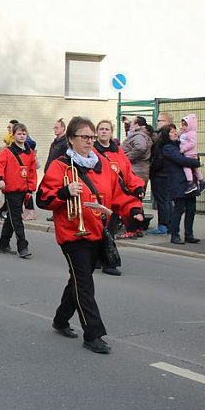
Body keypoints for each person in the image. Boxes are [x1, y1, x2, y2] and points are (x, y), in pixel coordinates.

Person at [37, 116, 144, 354]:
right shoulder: (60, 166)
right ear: (71, 139)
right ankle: (93, 334)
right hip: (72, 234)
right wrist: (64, 192)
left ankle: (60, 320)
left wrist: (133, 210)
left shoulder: (102, 164)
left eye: (92, 137)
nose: (89, 141)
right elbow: (42, 199)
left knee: (78, 279)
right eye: (84, 137)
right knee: (85, 284)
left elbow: (120, 193)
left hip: (97, 231)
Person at [94, 119, 146, 272]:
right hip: (99, 195)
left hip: (117, 196)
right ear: (97, 132)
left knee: (108, 230)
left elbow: (127, 173)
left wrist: (137, 187)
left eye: (107, 129)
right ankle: (103, 260)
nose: (104, 131)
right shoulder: (92, 151)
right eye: (101, 129)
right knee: (100, 229)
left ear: (111, 132)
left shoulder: (118, 151)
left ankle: (107, 262)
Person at [0, 122, 37, 258]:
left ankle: (3, 244)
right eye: (19, 133)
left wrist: (31, 189)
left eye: (24, 133)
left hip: (23, 189)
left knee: (11, 218)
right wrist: (0, 179)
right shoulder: (6, 152)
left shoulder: (30, 153)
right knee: (17, 218)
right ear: (13, 135)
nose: (22, 136)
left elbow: (32, 172)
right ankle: (22, 246)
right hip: (11, 190)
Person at [157, 124, 202, 245]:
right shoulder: (168, 148)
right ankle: (175, 235)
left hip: (189, 182)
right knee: (179, 209)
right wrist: (196, 163)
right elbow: (181, 160)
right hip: (177, 182)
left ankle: (189, 234)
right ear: (166, 135)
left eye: (175, 131)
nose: (175, 133)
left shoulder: (180, 144)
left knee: (191, 209)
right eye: (171, 132)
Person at [147, 112, 175, 234]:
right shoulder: (168, 135)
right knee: (166, 200)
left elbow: (159, 157)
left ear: (167, 122)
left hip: (161, 174)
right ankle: (169, 225)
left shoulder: (164, 136)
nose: (157, 123)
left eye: (160, 121)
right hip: (165, 173)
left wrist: (152, 168)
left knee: (162, 201)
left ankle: (163, 225)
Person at [121, 116, 152, 195]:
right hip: (139, 171)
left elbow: (141, 147)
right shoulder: (140, 134)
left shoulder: (139, 136)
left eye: (132, 122)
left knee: (134, 197)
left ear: (136, 124)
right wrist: (127, 123)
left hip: (136, 172)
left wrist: (127, 158)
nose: (130, 124)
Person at [179, 114, 205, 194]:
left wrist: (183, 149)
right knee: (195, 168)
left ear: (190, 125)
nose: (183, 127)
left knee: (186, 166)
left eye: (185, 125)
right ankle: (202, 182)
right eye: (183, 125)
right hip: (188, 153)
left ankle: (190, 183)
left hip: (189, 154)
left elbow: (192, 143)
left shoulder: (191, 133)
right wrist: (181, 131)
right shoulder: (185, 132)